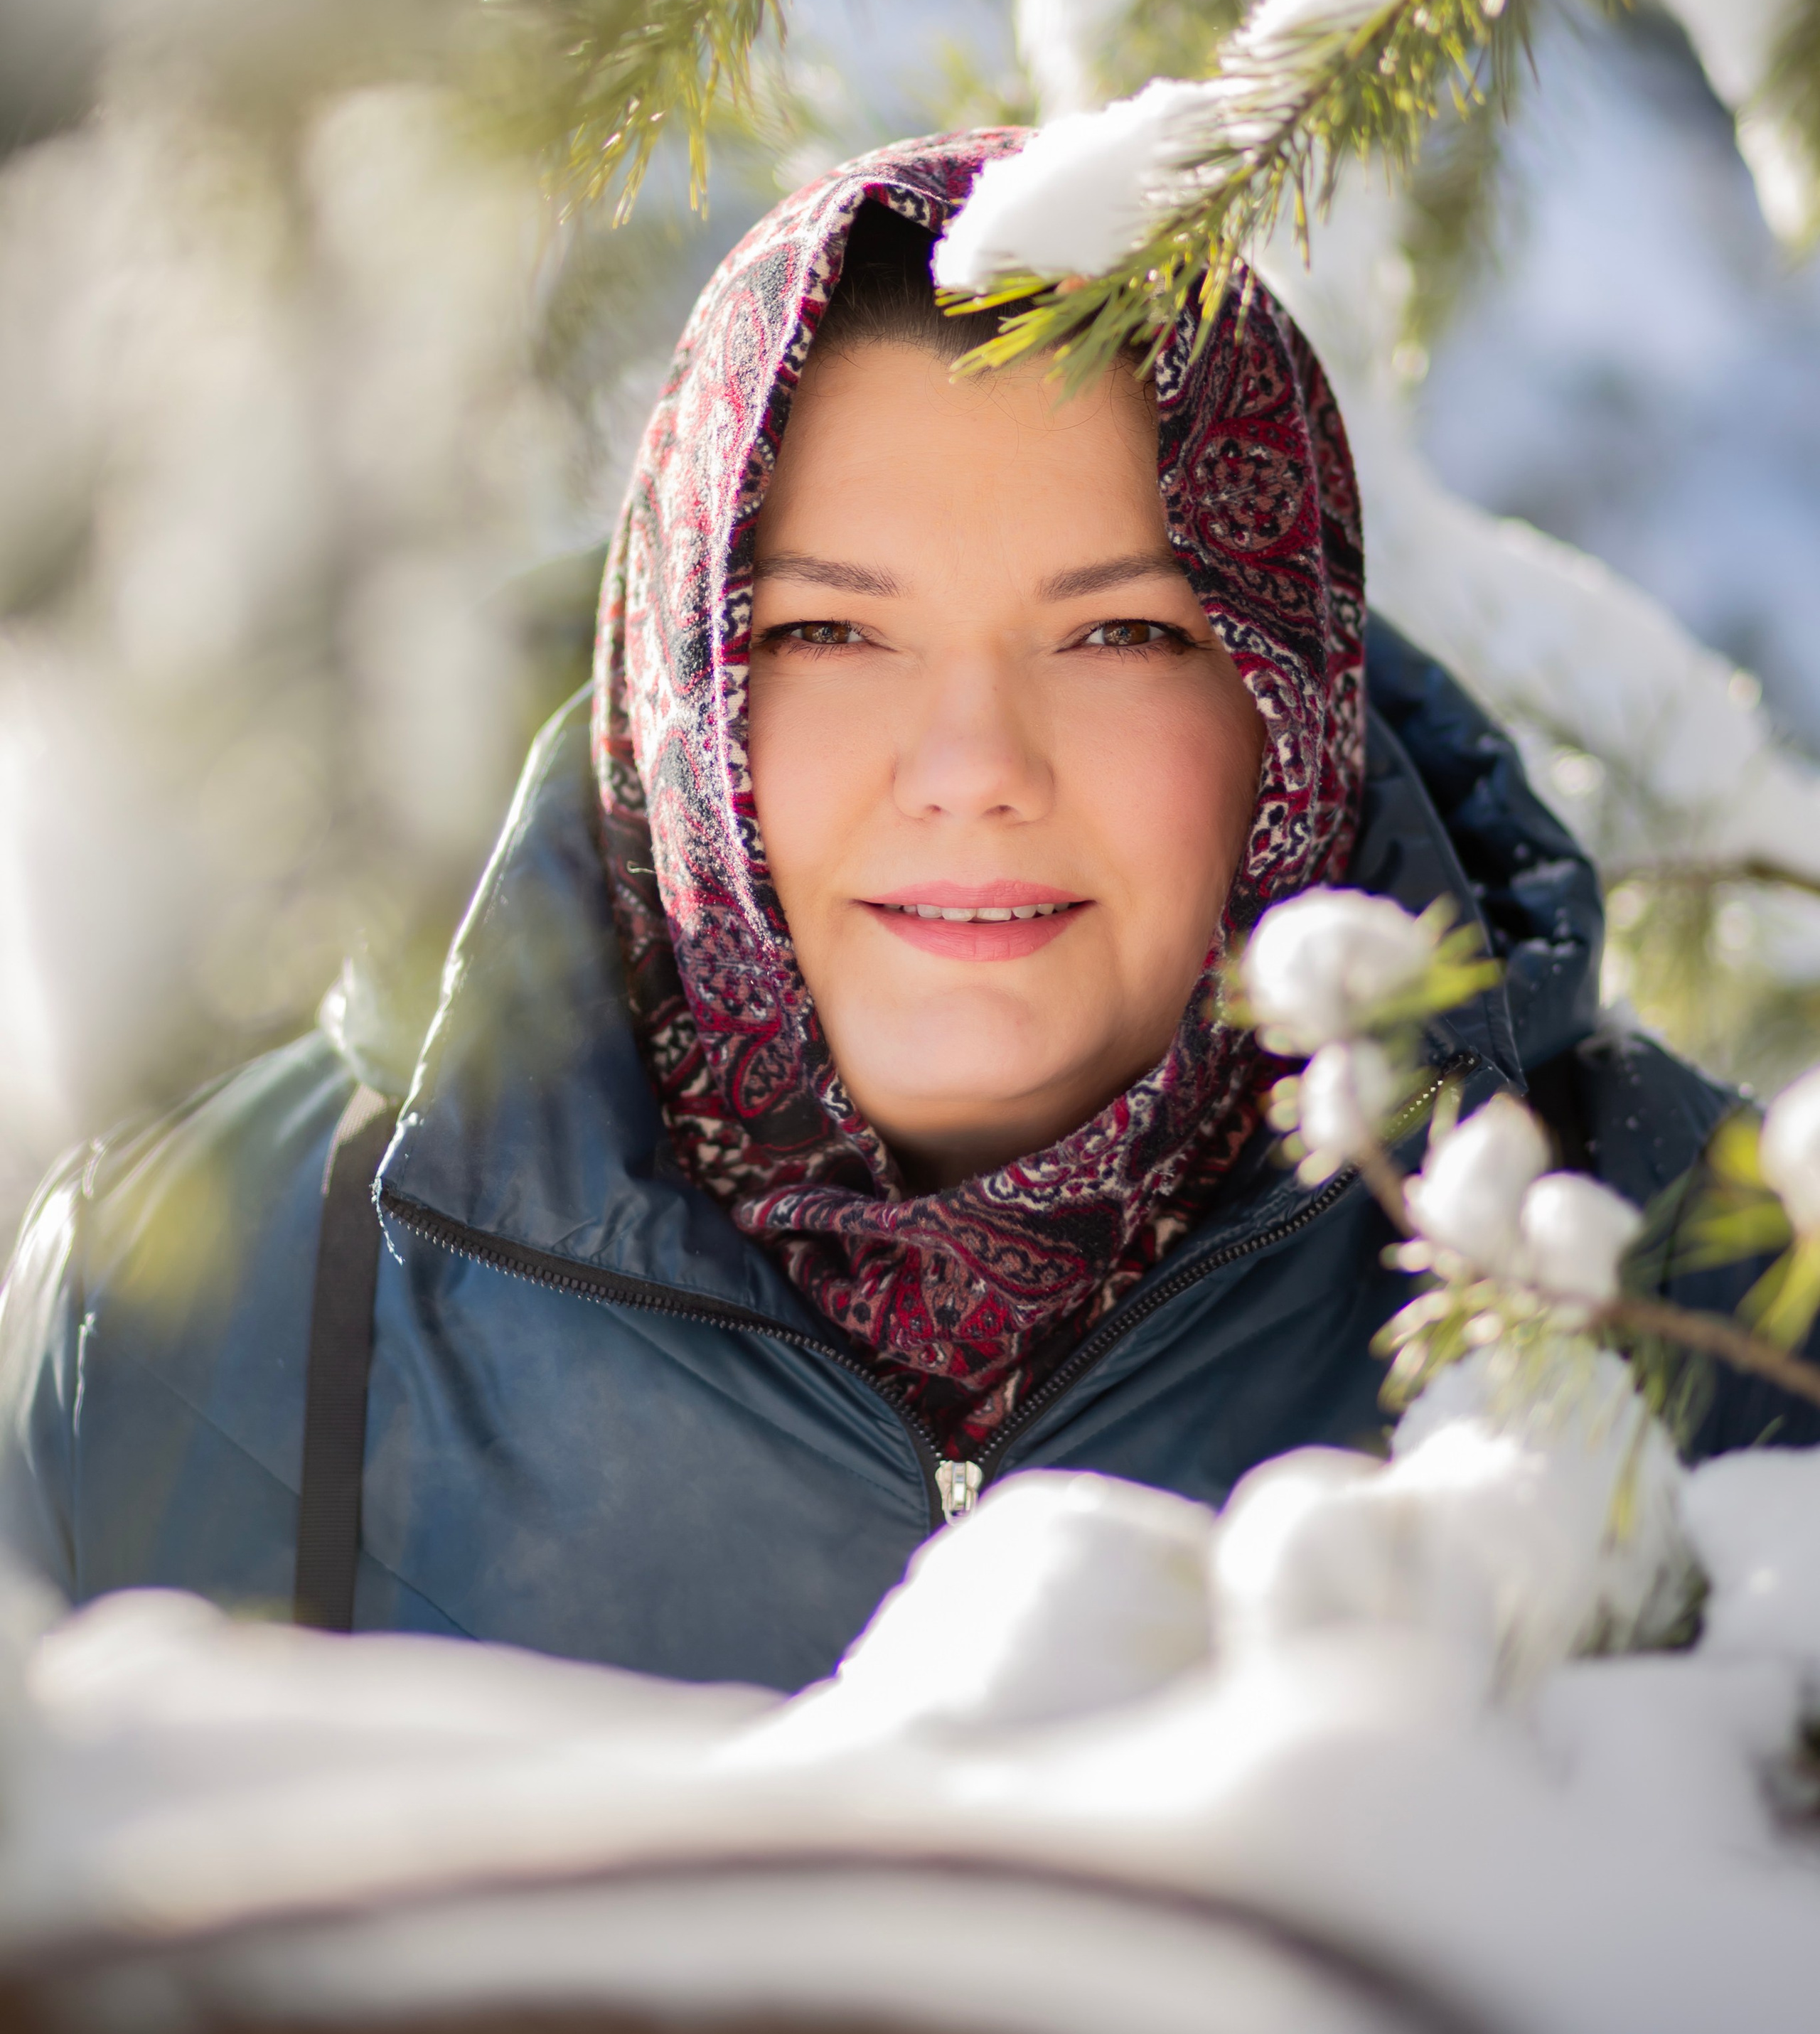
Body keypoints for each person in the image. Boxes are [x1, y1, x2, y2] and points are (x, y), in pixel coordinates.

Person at [0, 128, 1800, 1689]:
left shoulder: (1707, 1293)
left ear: (1286, 701)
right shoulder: (191, 1322)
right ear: (684, 685)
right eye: (829, 632)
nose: (971, 765)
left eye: (1116, 632)